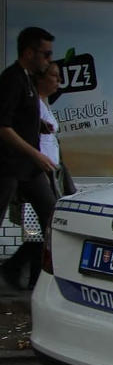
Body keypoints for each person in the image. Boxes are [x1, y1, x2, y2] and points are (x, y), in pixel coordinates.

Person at [4, 62, 72, 288]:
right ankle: (26, 271)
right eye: (54, 76)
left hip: (48, 170)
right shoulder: (31, 102)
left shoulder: (41, 104)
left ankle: (28, 273)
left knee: (49, 222)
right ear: (40, 79)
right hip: (36, 169)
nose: (58, 81)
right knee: (50, 221)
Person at [0, 27, 58, 290]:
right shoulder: (12, 79)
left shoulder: (29, 81)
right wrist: (36, 153)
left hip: (30, 168)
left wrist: (40, 129)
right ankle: (15, 270)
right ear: (29, 52)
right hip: (10, 167)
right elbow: (3, 127)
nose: (48, 61)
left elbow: (23, 120)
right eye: (45, 54)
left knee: (52, 216)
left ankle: (38, 277)